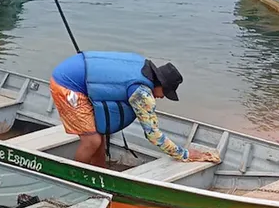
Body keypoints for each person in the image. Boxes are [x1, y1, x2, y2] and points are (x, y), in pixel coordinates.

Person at [49, 51, 221, 168]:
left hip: (76, 70)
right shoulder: (142, 94)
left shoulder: (143, 66)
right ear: (159, 84)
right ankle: (76, 178)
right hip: (67, 85)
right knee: (92, 141)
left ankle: (100, 173)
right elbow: (153, 134)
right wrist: (184, 154)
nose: (161, 97)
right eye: (164, 93)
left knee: (99, 135)